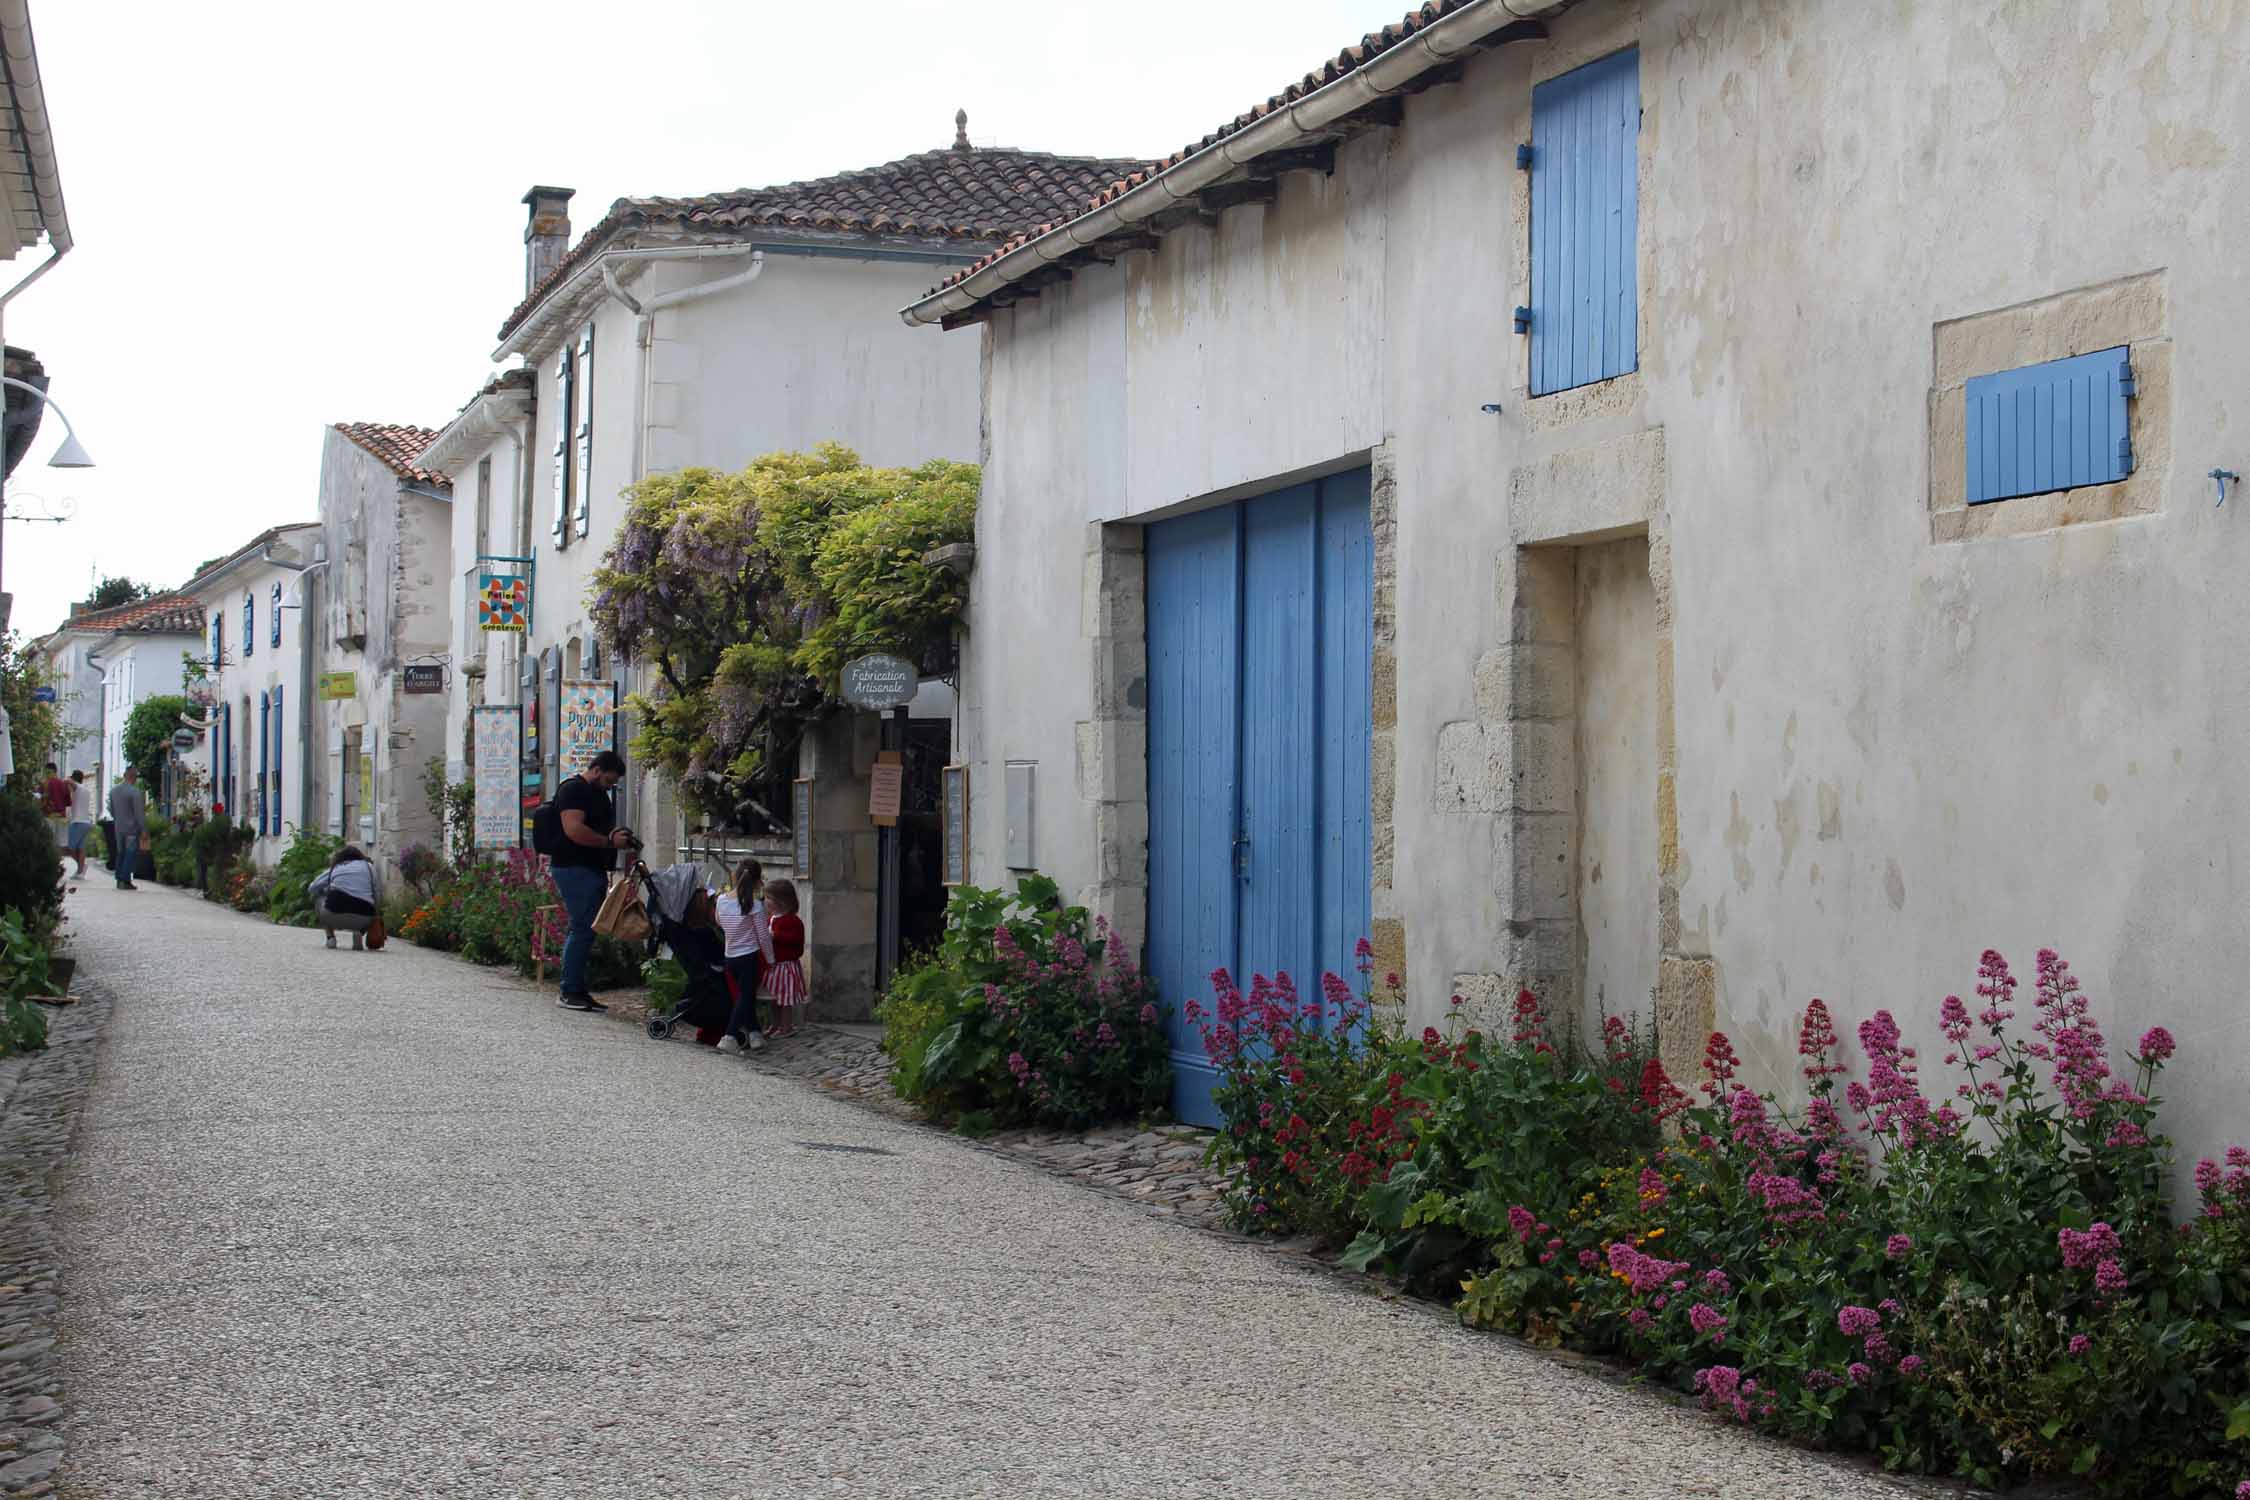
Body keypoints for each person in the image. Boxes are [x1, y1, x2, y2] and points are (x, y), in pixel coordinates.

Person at [551, 749, 636, 1012]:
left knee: (588, 929)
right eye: (609, 780)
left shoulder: (599, 795)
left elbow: (599, 827)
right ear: (597, 770)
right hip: (573, 867)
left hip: (591, 868)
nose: (610, 786)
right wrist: (608, 842)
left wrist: (617, 836)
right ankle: (569, 990)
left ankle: (577, 989)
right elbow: (574, 829)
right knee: (582, 927)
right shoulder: (573, 790)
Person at [714, 859, 770, 1055]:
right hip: (749, 956)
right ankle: (729, 1036)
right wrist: (770, 959)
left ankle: (755, 1034)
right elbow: (763, 936)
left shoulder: (721, 900)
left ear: (734, 876)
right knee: (746, 996)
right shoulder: (755, 905)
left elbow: (719, 923)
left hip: (730, 955)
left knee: (745, 996)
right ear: (757, 881)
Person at [307, 846, 382, 950]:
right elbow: (377, 892)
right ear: (360, 857)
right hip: (363, 918)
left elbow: (312, 888)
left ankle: (330, 937)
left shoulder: (336, 867)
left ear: (340, 858)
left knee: (319, 898)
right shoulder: (369, 867)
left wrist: (327, 890)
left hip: (333, 914)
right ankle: (358, 933)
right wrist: (376, 914)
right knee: (368, 903)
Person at [760, 879, 807, 1038]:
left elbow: (795, 940)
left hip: (785, 967)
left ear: (783, 901)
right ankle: (775, 1025)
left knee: (785, 1000)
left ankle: (786, 1026)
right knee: (773, 999)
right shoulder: (772, 918)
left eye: (770, 898)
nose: (766, 902)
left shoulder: (793, 921)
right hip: (773, 965)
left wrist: (776, 936)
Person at [106, 768, 147, 891]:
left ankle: (119, 879)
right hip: (131, 829)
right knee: (130, 853)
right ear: (134, 777)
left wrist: (119, 820)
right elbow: (139, 813)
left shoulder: (113, 791)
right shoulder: (135, 792)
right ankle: (125, 879)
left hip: (118, 827)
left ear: (124, 775)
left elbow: (112, 810)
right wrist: (144, 829)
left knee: (121, 853)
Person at [65, 771, 94, 879]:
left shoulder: (77, 787)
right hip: (87, 822)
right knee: (81, 848)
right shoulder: (86, 789)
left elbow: (69, 781)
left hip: (77, 822)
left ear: (74, 778)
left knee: (70, 848)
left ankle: (80, 867)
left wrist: (66, 780)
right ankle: (80, 873)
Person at [39, 763, 72, 854]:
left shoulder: (44, 784)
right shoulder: (63, 784)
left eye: (46, 772)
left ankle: (50, 864)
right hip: (61, 817)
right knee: (60, 844)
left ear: (49, 771)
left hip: (49, 816)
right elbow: (68, 803)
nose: (45, 774)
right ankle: (58, 865)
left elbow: (40, 800)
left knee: (49, 842)